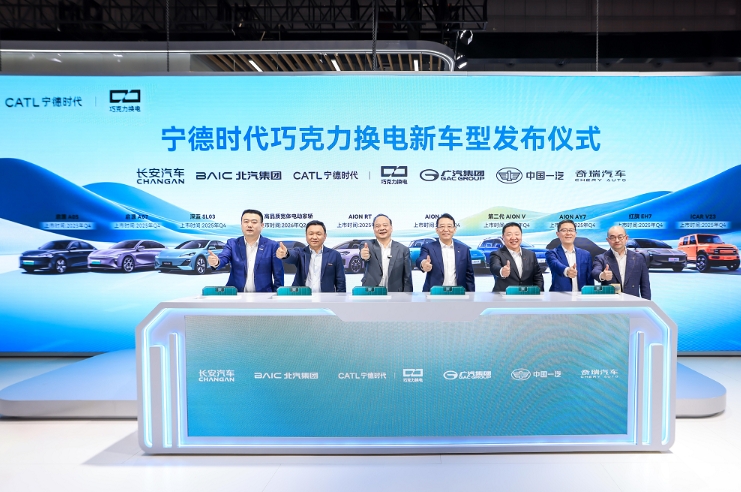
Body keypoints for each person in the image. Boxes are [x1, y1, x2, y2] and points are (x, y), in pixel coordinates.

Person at [207, 209, 284, 292]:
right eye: (246, 222)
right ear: (241, 225)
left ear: (262, 225)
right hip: (236, 295)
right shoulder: (232, 244)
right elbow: (223, 258)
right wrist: (216, 262)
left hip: (263, 295)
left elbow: (278, 274)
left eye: (254, 222)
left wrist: (277, 295)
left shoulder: (272, 245)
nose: (249, 225)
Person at [276, 220, 346, 292]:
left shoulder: (334, 255)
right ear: (306, 236)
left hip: (326, 297)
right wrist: (286, 254)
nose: (314, 237)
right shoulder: (300, 252)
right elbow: (292, 256)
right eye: (311, 234)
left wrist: (340, 297)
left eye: (318, 234)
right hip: (302, 296)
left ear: (325, 236)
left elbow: (340, 281)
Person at [416, 213, 475, 292]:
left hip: (458, 293)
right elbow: (421, 259)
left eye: (449, 226)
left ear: (454, 229)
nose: (446, 230)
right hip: (434, 293)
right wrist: (423, 264)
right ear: (437, 230)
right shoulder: (428, 247)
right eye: (442, 226)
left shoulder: (464, 249)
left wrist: (471, 295)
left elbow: (469, 275)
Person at [592, 225, 651, 299]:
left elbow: (645, 285)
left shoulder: (639, 258)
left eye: (620, 237)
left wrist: (646, 303)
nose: (617, 240)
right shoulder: (601, 258)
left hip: (633, 302)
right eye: (613, 237)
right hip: (610, 302)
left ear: (626, 238)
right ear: (608, 240)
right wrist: (602, 275)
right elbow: (595, 272)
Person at [359, 214, 413, 292]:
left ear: (391, 228)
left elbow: (407, 277)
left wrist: (407, 296)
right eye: (377, 226)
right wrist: (364, 256)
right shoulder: (367, 245)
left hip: (395, 293)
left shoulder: (403, 249)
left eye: (385, 225)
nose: (381, 228)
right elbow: (363, 255)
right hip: (371, 292)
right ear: (373, 229)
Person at [490, 222, 544, 292]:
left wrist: (539, 293)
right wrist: (502, 271)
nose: (513, 238)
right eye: (509, 234)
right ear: (503, 237)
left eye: (517, 234)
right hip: (504, 296)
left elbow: (538, 278)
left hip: (526, 295)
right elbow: (495, 267)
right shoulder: (496, 254)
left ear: (521, 236)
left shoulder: (531, 254)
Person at [545, 219, 594, 292]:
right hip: (559, 295)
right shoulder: (551, 253)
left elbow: (589, 279)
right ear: (558, 234)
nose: (568, 233)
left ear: (575, 233)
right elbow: (556, 265)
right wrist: (567, 271)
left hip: (581, 296)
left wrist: (591, 294)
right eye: (564, 230)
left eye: (571, 230)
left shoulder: (586, 254)